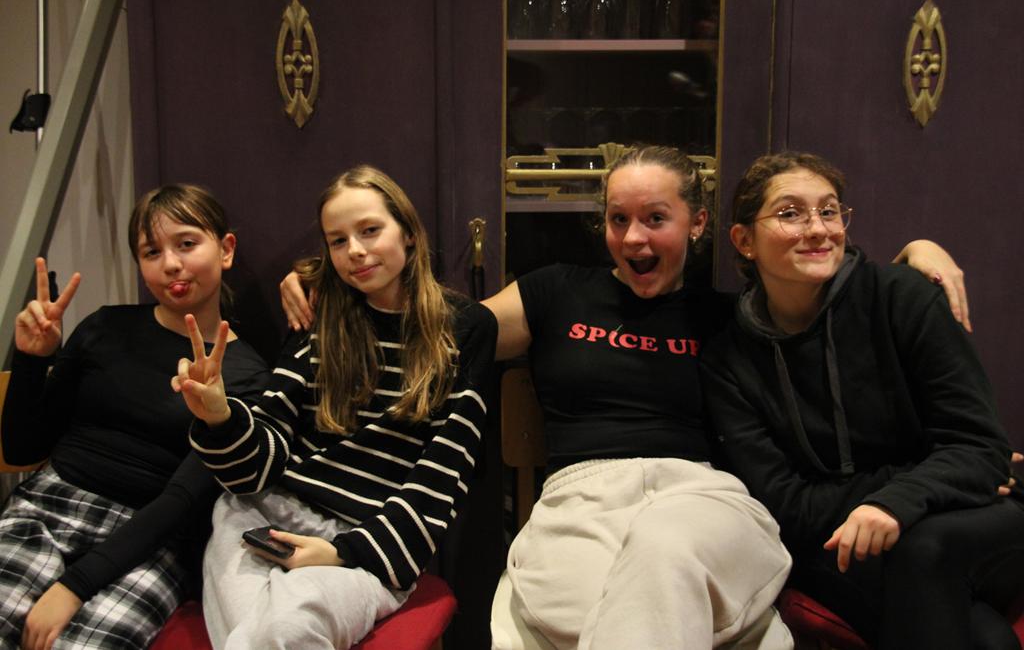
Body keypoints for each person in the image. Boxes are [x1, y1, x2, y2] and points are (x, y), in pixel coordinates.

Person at [276, 147, 969, 650]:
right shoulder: (556, 291)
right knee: (596, 614)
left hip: (702, 498)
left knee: (665, 558)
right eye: (617, 219)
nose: (633, 238)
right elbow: (439, 326)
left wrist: (913, 255)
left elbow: (829, 297)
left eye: (655, 218)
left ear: (698, 225)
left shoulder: (733, 315)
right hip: (580, 501)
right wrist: (330, 276)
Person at [700, 152, 1024, 650]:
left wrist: (896, 502)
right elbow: (786, 506)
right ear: (744, 241)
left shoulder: (902, 297)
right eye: (790, 213)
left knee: (925, 547)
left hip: (965, 519)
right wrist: (908, 482)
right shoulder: (729, 358)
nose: (818, 229)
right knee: (987, 639)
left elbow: (981, 449)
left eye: (829, 211)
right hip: (847, 539)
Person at [172, 165, 497, 649]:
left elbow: (441, 476)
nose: (356, 251)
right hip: (258, 516)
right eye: (338, 241)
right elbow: (254, 472)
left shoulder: (464, 328)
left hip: (368, 537)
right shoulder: (318, 316)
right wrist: (219, 416)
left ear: (408, 232)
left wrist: (340, 552)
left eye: (370, 230)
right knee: (259, 638)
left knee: (280, 632)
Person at [0, 185, 269, 650]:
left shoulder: (248, 374)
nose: (171, 264)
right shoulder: (104, 326)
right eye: (152, 252)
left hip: (153, 541)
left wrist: (74, 587)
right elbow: (23, 449)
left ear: (225, 250)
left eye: (187, 243)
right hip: (48, 506)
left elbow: (183, 501)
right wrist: (32, 359)